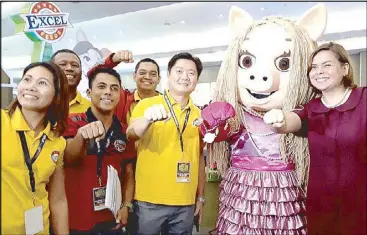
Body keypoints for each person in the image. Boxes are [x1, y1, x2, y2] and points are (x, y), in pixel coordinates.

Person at [264, 42, 366, 235]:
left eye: (327, 65)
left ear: (345, 68)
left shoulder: (363, 99)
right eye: (314, 67)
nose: (319, 71)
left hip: (360, 203)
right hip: (322, 205)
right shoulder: (312, 108)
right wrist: (278, 120)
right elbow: (289, 122)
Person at [126, 52, 206, 234]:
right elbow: (131, 134)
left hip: (185, 202)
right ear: (169, 75)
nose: (185, 77)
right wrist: (146, 120)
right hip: (150, 201)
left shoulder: (200, 116)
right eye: (179, 71)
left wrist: (200, 196)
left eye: (191, 73)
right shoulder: (148, 105)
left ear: (196, 80)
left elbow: (200, 157)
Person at [62, 66, 136, 234]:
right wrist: (82, 137)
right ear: (89, 92)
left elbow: (129, 173)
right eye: (101, 86)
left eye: (114, 88)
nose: (108, 92)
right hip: (78, 219)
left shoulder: (124, 131)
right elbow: (69, 159)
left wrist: (126, 205)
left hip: (112, 216)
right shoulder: (73, 122)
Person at [1, 62, 69, 234]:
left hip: (39, 229)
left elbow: (58, 200)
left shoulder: (57, 141)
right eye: (27, 80)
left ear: (57, 95)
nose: (31, 87)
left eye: (42, 83)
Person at [91, 51, 161, 125]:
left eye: (153, 74)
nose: (147, 77)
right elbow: (94, 74)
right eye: (142, 73)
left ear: (159, 79)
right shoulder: (122, 98)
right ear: (134, 76)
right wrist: (114, 58)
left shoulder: (168, 101)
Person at [50, 49, 91, 114]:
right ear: (50, 72)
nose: (69, 68)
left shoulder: (91, 108)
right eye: (62, 64)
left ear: (81, 75)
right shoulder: (38, 104)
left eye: (75, 65)